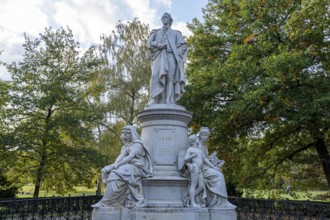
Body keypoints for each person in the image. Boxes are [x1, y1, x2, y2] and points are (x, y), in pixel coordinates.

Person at [92, 125, 153, 208]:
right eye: (123, 133)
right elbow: (121, 156)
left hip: (139, 167)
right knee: (113, 173)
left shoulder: (137, 145)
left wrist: (118, 165)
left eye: (126, 133)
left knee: (117, 172)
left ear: (131, 134)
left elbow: (130, 157)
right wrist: (114, 165)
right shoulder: (126, 146)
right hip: (130, 165)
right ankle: (108, 202)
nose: (124, 135)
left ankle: (107, 202)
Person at [147, 12, 188, 105]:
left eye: (165, 17)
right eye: (162, 17)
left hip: (171, 56)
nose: (163, 19)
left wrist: (177, 52)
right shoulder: (156, 32)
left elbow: (183, 45)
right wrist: (158, 45)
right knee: (155, 75)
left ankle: (169, 100)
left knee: (170, 78)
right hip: (159, 55)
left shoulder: (176, 33)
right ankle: (154, 98)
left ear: (170, 20)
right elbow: (149, 44)